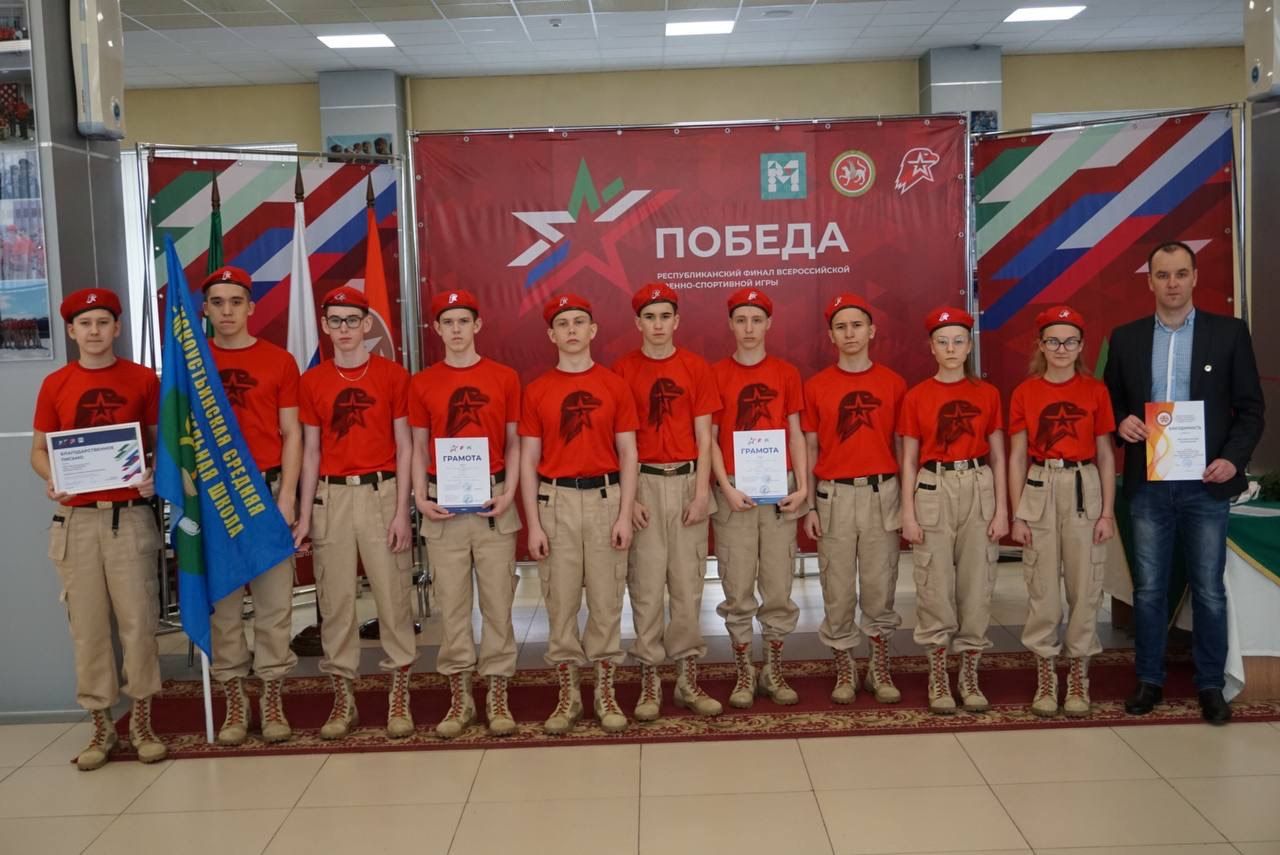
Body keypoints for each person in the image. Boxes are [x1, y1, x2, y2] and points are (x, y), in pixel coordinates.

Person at [1104, 241, 1265, 725]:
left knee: (1209, 589)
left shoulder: (1228, 333)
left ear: (1195, 277)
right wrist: (1121, 422)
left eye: (1180, 273)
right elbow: (1109, 402)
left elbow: (1251, 410)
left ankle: (1210, 685)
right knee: (1150, 590)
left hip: (1206, 483)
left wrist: (1232, 461)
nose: (1171, 283)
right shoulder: (1126, 338)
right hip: (1149, 484)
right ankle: (1149, 680)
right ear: (1149, 281)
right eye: (1162, 275)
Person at [29, 288, 167, 770]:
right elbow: (38, 451)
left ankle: (142, 722)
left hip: (128, 517)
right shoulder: (55, 384)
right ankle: (102, 725)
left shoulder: (142, 379)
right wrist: (52, 479)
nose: (94, 331)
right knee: (88, 630)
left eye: (103, 322)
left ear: (117, 328)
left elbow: (159, 444)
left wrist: (154, 475)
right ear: (71, 331)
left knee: (138, 624)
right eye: (85, 324)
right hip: (77, 522)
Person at [294, 286, 417, 740]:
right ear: (324, 326)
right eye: (335, 320)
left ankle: (399, 695)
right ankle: (343, 697)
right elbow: (310, 452)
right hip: (331, 497)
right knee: (336, 601)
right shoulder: (313, 381)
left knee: (393, 596)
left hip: (381, 493)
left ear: (367, 324)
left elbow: (405, 446)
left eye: (352, 320)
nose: (344, 329)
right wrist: (304, 515)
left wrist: (403, 511)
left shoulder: (392, 375)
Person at [519, 294, 639, 735]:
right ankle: (568, 695)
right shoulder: (537, 390)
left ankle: (605, 693)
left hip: (606, 498)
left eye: (579, 322)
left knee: (607, 601)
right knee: (561, 600)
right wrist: (533, 524)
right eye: (563, 324)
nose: (571, 330)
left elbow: (629, 452)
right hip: (556, 502)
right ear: (551, 335)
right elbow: (528, 460)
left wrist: (624, 514)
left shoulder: (614, 385)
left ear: (593, 330)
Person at [410, 289, 522, 738]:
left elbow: (514, 442)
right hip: (443, 504)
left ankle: (497, 692)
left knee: (498, 603)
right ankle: (460, 696)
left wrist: (510, 491)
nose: (456, 330)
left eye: (463, 321)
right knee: (452, 605)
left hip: (493, 500)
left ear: (477, 325)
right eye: (447, 322)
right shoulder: (422, 383)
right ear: (437, 329)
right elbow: (418, 446)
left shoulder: (504, 377)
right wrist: (419, 497)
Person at [613, 283, 723, 721]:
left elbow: (705, 436)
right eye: (649, 317)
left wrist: (702, 492)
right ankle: (649, 680)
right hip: (643, 483)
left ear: (677, 321)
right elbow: (619, 441)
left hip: (686, 483)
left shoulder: (696, 367)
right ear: (637, 323)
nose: (657, 325)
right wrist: (629, 500)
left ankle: (687, 678)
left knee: (687, 584)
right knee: (645, 586)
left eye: (665, 316)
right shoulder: (623, 370)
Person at [201, 266, 301, 745]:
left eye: (235, 302)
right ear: (205, 309)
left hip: (264, 490)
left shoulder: (279, 361)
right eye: (218, 302)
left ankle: (272, 697)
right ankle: (234, 701)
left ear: (251, 308)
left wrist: (288, 496)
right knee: (223, 605)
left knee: (273, 604)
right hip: (215, 497)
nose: (227, 311)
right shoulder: (191, 362)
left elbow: (292, 433)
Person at [1008, 305, 1116, 718]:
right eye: (1052, 341)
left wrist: (1107, 513)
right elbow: (1017, 456)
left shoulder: (1095, 391)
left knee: (1085, 587)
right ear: (1040, 345)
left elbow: (1106, 454)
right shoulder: (1025, 392)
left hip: (1084, 485)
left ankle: (1078, 675)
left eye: (1070, 341)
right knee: (1043, 589)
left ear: (1081, 346)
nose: (1061, 348)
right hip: (1040, 484)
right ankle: (1046, 674)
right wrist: (1018, 513)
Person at [900, 307, 1008, 715]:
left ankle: (970, 672)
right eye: (942, 342)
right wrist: (908, 513)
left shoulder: (987, 394)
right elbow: (909, 459)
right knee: (934, 584)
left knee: (977, 584)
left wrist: (1002, 509)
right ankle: (939, 673)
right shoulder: (917, 396)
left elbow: (999, 454)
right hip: (933, 486)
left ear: (969, 346)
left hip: (978, 484)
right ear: (931, 347)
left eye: (958, 341)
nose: (950, 349)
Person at [802, 294, 906, 705]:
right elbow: (810, 448)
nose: (850, 334)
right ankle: (844, 664)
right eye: (841, 327)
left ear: (871, 331)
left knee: (881, 583)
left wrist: (908, 503)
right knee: (838, 586)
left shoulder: (893, 383)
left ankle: (879, 664)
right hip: (835, 496)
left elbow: (903, 446)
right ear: (831, 335)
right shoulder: (817, 386)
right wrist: (810, 506)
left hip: (883, 492)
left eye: (857, 325)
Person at [710, 287, 808, 708]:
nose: (749, 328)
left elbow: (796, 433)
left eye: (756, 320)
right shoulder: (716, 374)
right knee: (737, 585)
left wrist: (802, 487)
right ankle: (743, 671)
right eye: (741, 320)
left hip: (779, 490)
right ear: (731, 325)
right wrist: (725, 487)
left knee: (778, 583)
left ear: (769, 324)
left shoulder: (786, 373)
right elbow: (709, 438)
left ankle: (773, 669)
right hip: (735, 490)